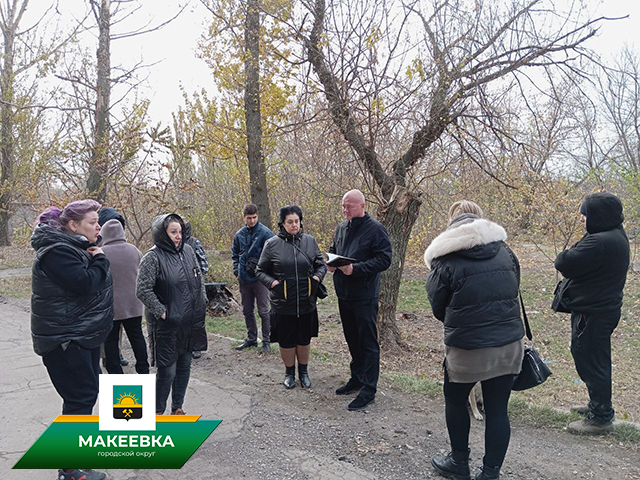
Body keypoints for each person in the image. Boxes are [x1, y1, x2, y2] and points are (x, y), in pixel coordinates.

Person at [425, 200, 525, 480]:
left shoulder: (445, 260)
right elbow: (513, 288)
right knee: (497, 409)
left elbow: (437, 307)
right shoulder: (506, 251)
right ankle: (491, 473)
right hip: (508, 344)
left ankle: (459, 463)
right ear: (481, 221)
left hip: (466, 346)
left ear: (452, 224)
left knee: (455, 401)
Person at [31, 200, 113, 480]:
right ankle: (69, 468)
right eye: (92, 222)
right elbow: (85, 284)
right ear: (72, 226)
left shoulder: (72, 247)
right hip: (65, 339)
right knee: (80, 398)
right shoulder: (57, 252)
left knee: (84, 396)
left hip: (79, 335)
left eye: (98, 221)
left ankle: (76, 460)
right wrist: (100, 258)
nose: (98, 226)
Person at [554, 192, 629, 435]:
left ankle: (600, 417)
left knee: (593, 362)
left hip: (594, 312)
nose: (583, 218)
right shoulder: (614, 235)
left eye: (586, 214)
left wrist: (576, 246)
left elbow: (563, 262)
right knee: (588, 357)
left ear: (599, 216)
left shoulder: (599, 242)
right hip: (600, 309)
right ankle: (596, 405)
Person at [136, 214, 208, 415]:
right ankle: (157, 412)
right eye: (173, 232)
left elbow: (198, 277)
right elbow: (143, 290)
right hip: (166, 325)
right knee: (167, 371)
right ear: (162, 233)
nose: (178, 236)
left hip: (189, 321)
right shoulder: (152, 257)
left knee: (185, 366)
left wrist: (202, 301)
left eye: (180, 232)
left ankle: (177, 407)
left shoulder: (188, 250)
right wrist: (162, 312)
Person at [329, 189, 392, 411]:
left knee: (367, 342)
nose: (345, 209)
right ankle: (356, 378)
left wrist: (356, 269)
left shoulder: (375, 229)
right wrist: (330, 262)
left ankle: (368, 388)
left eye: (349, 206)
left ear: (362, 206)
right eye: (343, 205)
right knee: (352, 339)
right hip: (344, 294)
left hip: (365, 294)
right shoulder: (341, 227)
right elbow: (334, 250)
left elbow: (385, 259)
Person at [256, 205, 326, 389]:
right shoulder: (271, 244)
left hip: (306, 301)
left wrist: (318, 277)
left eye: (297, 221)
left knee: (304, 339)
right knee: (286, 340)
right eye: (290, 222)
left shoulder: (310, 241)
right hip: (283, 303)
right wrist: (273, 284)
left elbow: (321, 264)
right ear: (282, 223)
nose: (294, 225)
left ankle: (304, 372)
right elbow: (260, 270)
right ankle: (289, 373)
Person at [100, 218, 149, 374]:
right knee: (137, 336)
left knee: (111, 341)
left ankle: (116, 373)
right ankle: (143, 367)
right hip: (134, 304)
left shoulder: (102, 253)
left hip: (110, 307)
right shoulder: (134, 250)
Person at [232, 203, 274, 353]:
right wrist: (236, 270)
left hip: (260, 278)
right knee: (247, 310)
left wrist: (266, 271)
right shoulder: (239, 235)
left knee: (263, 311)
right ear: (244, 217)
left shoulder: (265, 233)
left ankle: (267, 341)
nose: (252, 221)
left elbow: (274, 253)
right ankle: (251, 338)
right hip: (244, 278)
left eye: (254, 217)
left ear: (258, 216)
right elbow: (235, 254)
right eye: (249, 218)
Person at [98, 206, 129, 367]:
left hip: (120, 294)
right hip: (103, 296)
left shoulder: (126, 248)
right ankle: (107, 356)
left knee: (118, 329)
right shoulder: (96, 248)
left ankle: (115, 353)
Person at [183, 218, 209, 359]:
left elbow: (204, 265)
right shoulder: (170, 244)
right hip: (179, 287)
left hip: (195, 286)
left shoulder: (194, 243)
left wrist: (195, 277)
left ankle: (197, 347)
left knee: (197, 318)